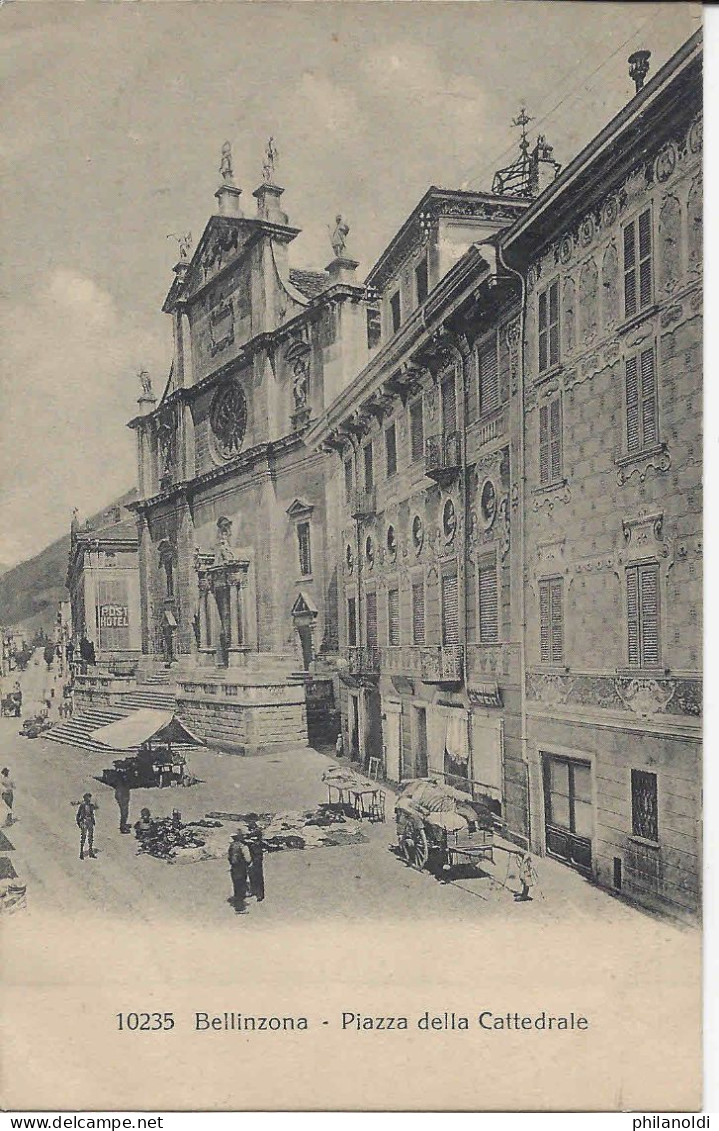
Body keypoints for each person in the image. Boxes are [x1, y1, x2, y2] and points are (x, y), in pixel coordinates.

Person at [228, 830, 252, 914]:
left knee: (236, 886)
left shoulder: (231, 846)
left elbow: (229, 858)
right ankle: (240, 907)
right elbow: (248, 859)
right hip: (241, 868)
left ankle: (237, 903)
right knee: (241, 887)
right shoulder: (243, 846)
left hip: (234, 869)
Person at [245, 821, 265, 903]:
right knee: (252, 875)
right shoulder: (253, 836)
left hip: (257, 858)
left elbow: (254, 840)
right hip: (253, 858)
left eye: (249, 827)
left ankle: (259, 894)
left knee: (258, 876)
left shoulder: (256, 833)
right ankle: (254, 891)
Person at [76, 792, 98, 859]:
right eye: (88, 797)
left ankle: (91, 852)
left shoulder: (91, 805)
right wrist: (79, 822)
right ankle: (81, 853)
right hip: (84, 822)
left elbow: (92, 813)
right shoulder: (82, 805)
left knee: (90, 837)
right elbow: (78, 815)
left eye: (89, 797)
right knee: (83, 837)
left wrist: (93, 821)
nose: (89, 799)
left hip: (90, 821)